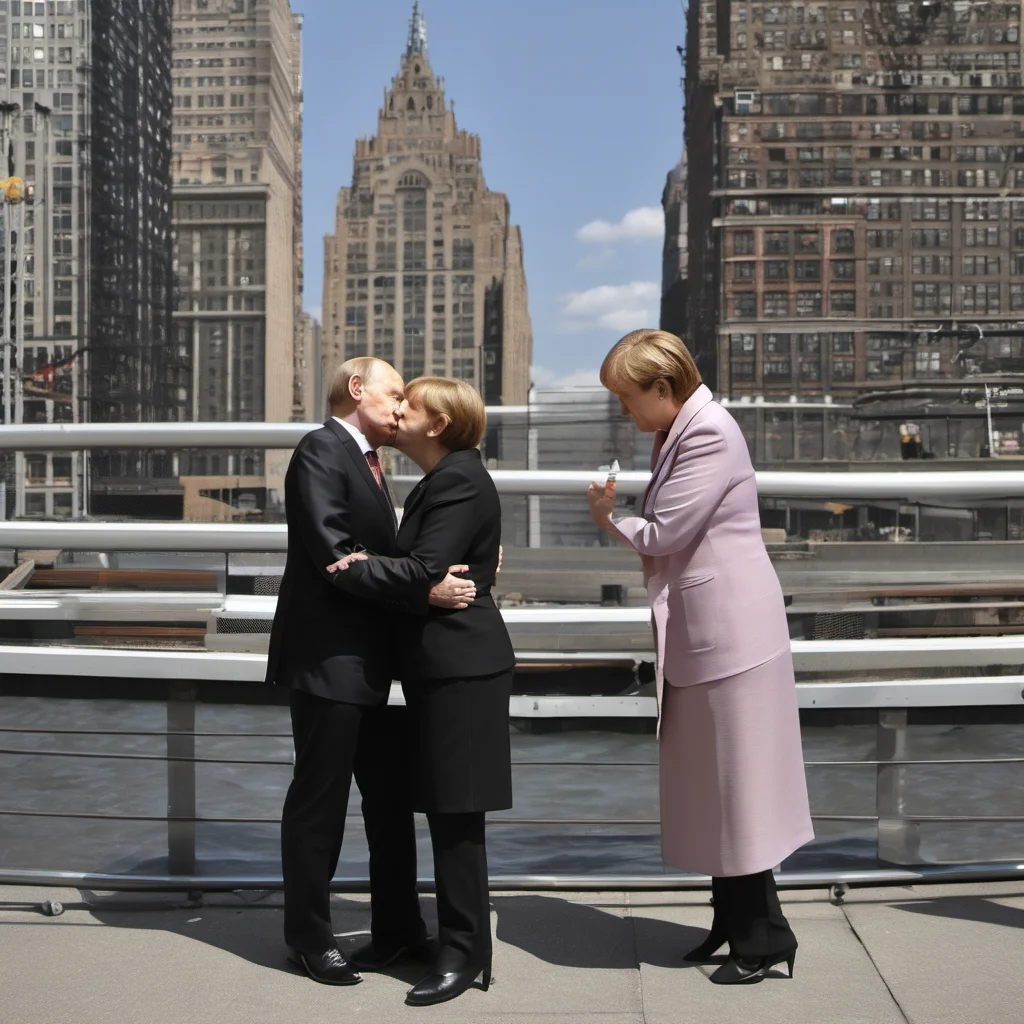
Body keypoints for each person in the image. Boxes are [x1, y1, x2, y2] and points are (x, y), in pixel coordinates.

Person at [586, 329, 814, 985]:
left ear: (663, 388)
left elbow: (667, 531)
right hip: (714, 630)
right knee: (720, 785)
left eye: (630, 399)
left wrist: (609, 517)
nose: (626, 413)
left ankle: (764, 935)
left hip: (730, 636)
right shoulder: (683, 431)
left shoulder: (708, 431)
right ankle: (734, 921)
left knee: (736, 786)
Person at [266, 357, 475, 986]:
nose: (401, 405)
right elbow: (335, 559)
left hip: (373, 666)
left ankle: (400, 930)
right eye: (393, 394)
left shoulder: (367, 462)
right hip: (329, 661)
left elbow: (376, 555)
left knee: (388, 803)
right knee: (320, 804)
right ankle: (308, 937)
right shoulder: (321, 452)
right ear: (357, 390)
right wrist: (424, 591)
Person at [326, 376, 514, 1007]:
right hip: (431, 662)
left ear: (438, 425)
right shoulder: (442, 479)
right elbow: (427, 574)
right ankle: (402, 932)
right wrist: (418, 582)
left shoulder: (459, 478)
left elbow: (424, 568)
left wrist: (349, 562)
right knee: (410, 800)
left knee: (456, 812)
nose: (397, 408)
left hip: (461, 665)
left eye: (410, 404)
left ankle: (465, 953)